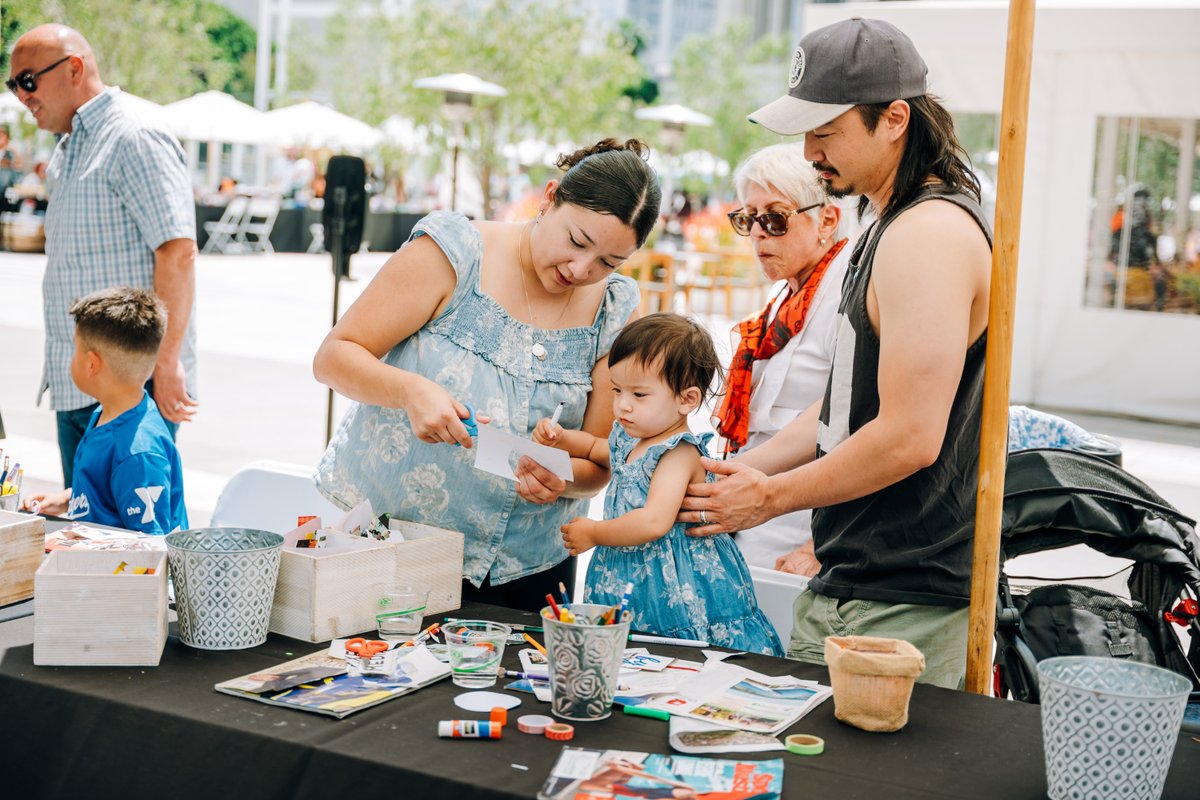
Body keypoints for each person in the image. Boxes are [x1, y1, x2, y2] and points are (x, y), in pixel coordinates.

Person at [681, 18, 993, 689]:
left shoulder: (930, 232)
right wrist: (733, 475)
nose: (809, 150)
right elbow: (847, 400)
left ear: (895, 119)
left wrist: (768, 498)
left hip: (902, 597)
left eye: (825, 130)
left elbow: (908, 436)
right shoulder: (889, 220)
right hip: (858, 581)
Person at [313, 139, 659, 612]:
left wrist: (560, 479)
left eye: (608, 262)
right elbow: (334, 356)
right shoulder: (454, 253)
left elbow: (600, 460)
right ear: (549, 197)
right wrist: (411, 390)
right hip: (392, 543)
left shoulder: (614, 309)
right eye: (577, 242)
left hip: (530, 567)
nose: (581, 269)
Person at [8, 24, 198, 489]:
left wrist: (167, 362)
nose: (22, 96)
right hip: (79, 382)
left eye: (28, 80)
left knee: (128, 530)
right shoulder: (70, 147)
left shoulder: (133, 135)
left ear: (74, 68)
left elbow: (177, 253)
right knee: (84, 523)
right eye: (14, 85)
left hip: (129, 387)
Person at [534, 314, 782, 656]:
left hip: (676, 586)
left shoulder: (678, 452)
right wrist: (562, 438)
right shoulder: (631, 438)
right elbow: (593, 448)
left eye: (639, 394)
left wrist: (594, 532)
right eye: (617, 390)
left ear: (686, 399)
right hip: (633, 576)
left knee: (677, 655)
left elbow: (654, 521)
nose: (623, 405)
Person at [712, 144, 848, 576]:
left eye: (775, 218)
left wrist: (817, 547)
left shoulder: (846, 291)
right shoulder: (785, 294)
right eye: (747, 219)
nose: (758, 233)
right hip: (749, 518)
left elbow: (850, 417)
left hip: (802, 525)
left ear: (827, 220)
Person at [21, 288, 188, 535]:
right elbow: (108, 492)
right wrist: (67, 500)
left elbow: (151, 545)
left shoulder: (138, 453)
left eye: (75, 349)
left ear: (92, 363)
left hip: (115, 561)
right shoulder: (110, 412)